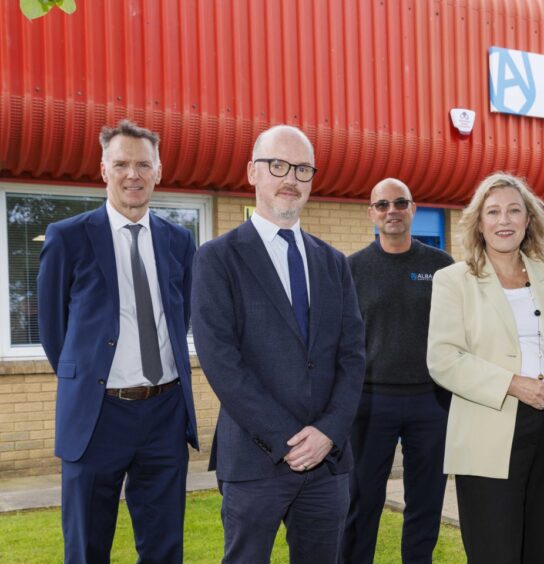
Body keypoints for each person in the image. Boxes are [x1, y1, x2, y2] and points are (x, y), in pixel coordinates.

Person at [191, 125, 365, 564]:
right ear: (253, 172)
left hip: (327, 463)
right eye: (278, 165)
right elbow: (221, 362)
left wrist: (328, 432)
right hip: (255, 460)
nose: (291, 178)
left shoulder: (334, 263)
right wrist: (287, 441)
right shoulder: (217, 257)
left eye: (303, 169)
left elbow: (353, 356)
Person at [37, 120, 198, 563]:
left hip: (165, 414)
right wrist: (89, 379)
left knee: (165, 547)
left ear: (158, 171)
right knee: (87, 547)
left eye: (143, 164)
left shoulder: (180, 241)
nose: (133, 174)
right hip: (96, 417)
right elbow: (55, 331)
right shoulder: (68, 237)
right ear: (103, 169)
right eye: (122, 164)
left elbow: (180, 316)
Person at [427, 172, 544, 563]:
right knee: (494, 552)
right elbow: (443, 359)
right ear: (479, 222)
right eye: (493, 211)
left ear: (528, 220)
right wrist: (513, 384)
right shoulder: (454, 280)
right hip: (488, 434)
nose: (504, 220)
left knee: (535, 552)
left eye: (514, 211)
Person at [341, 178, 454, 563]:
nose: (392, 211)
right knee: (362, 499)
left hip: (431, 401)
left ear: (413, 209)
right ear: (371, 212)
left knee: (425, 500)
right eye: (383, 204)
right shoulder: (351, 268)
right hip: (370, 402)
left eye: (400, 203)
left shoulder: (441, 267)